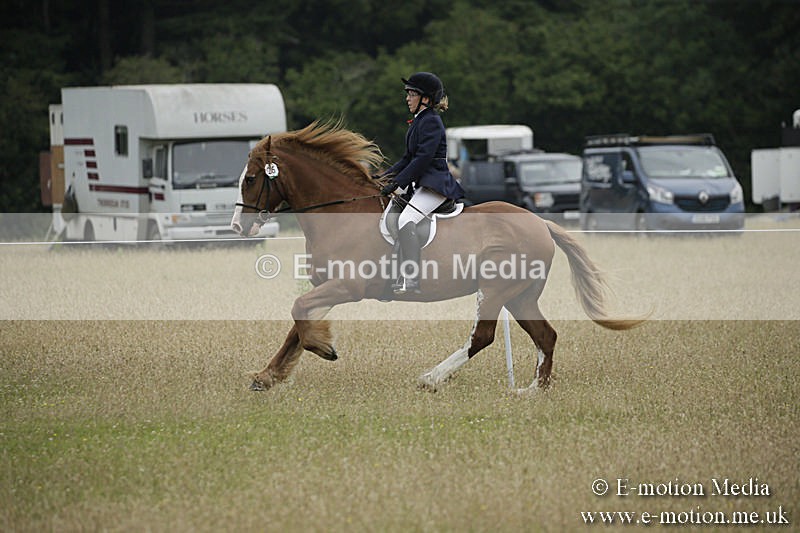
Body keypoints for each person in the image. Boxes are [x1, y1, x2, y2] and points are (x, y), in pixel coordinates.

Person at [377, 72, 465, 295]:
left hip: (435, 185)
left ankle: (412, 278)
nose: (407, 98)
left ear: (425, 98)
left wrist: (398, 183)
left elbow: (423, 159)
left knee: (406, 219)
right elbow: (407, 158)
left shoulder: (432, 122)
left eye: (412, 94)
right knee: (391, 215)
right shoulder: (418, 122)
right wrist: (383, 178)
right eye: (407, 94)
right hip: (421, 183)